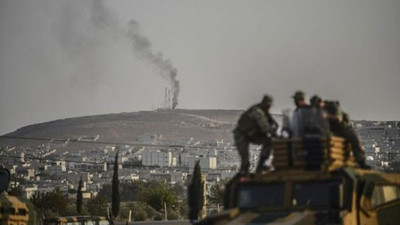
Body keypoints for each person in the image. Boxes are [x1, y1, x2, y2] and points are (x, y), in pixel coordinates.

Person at [233, 95, 278, 174]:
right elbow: (265, 127)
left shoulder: (263, 112)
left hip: (252, 134)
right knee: (245, 160)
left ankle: (261, 165)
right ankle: (244, 172)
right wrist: (275, 134)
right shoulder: (257, 112)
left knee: (268, 142)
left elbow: (271, 125)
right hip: (241, 134)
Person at [323, 100, 370, 169]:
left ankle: (360, 161)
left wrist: (327, 116)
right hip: (332, 130)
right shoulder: (318, 110)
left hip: (344, 129)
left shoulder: (333, 108)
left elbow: (338, 119)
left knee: (355, 141)